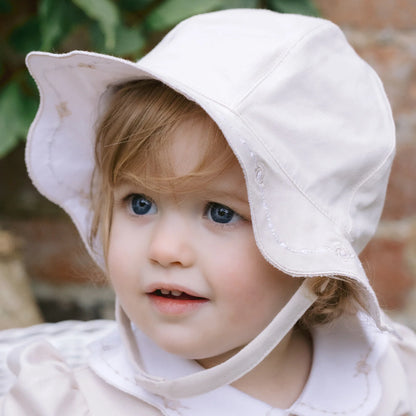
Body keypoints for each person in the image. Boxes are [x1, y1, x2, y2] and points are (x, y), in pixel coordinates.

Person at [1, 8, 415, 415]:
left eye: (220, 213)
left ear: (316, 257)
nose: (164, 250)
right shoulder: (71, 403)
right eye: (140, 204)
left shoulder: (388, 383)